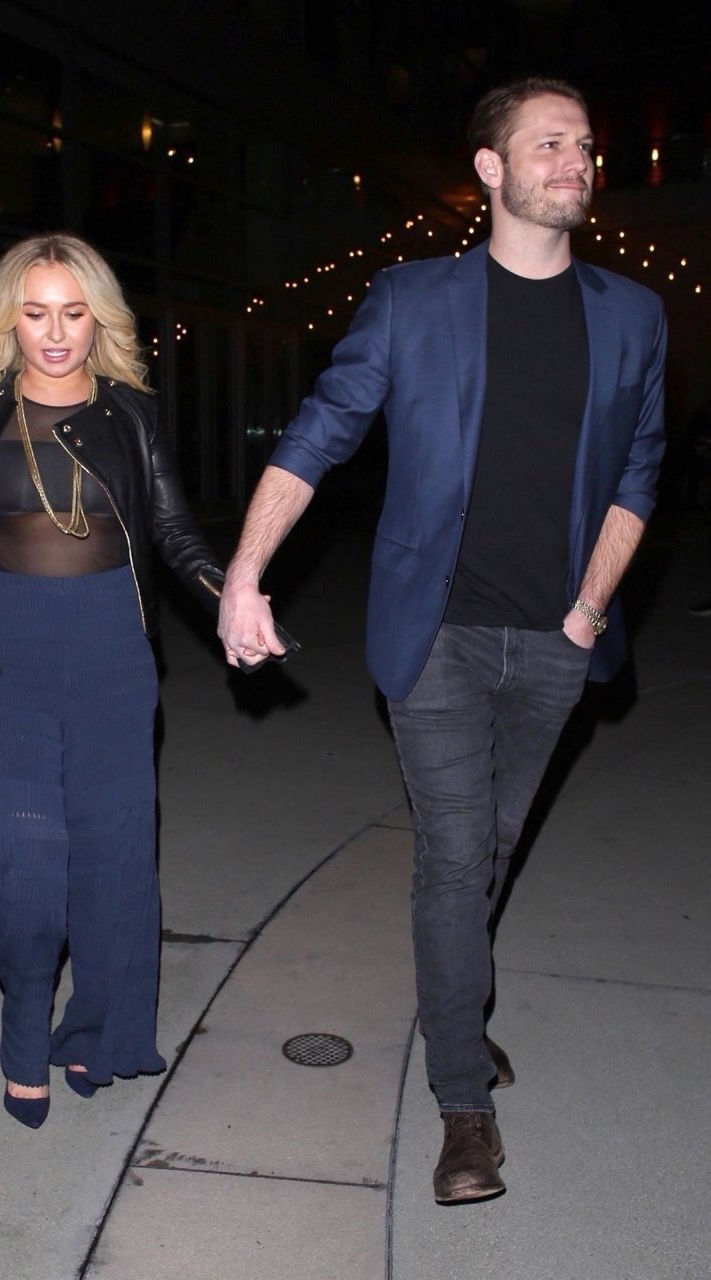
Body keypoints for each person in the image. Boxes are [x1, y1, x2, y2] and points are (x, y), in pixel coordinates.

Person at [218, 77, 666, 1203]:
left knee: (491, 850)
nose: (575, 160)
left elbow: (637, 472)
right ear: (490, 169)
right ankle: (464, 1107)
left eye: (584, 143)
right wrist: (245, 572)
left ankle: (451, 1006)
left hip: (559, 638)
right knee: (457, 853)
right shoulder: (413, 299)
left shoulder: (631, 314)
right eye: (548, 143)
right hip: (438, 638)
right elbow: (319, 433)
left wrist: (587, 611)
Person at [0, 234, 224, 1128]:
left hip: (113, 654)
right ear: (7, 322)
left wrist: (228, 598)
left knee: (113, 855)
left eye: (73, 313)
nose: (54, 333)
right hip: (12, 655)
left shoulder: (129, 413)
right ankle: (22, 1029)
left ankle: (97, 1030)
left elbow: (174, 531)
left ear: (99, 320)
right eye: (36, 313)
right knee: (26, 858)